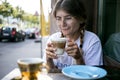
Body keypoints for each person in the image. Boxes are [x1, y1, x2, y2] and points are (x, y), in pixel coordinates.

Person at [44, 0, 103, 72]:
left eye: (68, 18)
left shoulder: (92, 41)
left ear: (81, 19)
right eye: (58, 18)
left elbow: (93, 75)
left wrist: (79, 59)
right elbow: (50, 72)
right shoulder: (53, 39)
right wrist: (48, 59)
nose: (62, 24)